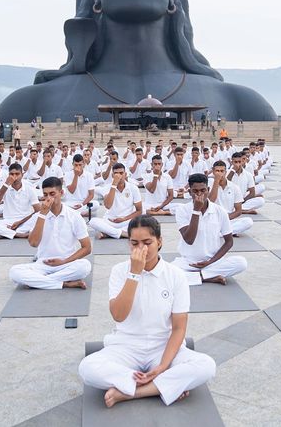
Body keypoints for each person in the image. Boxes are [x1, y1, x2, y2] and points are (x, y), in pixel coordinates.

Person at [78, 215, 216, 407]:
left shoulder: (175, 275)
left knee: (206, 366)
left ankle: (132, 392)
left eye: (147, 242)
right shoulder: (120, 271)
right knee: (87, 368)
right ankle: (163, 387)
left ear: (159, 241)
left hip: (162, 347)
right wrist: (134, 274)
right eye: (134, 243)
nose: (140, 248)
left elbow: (178, 328)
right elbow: (118, 315)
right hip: (125, 346)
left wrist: (162, 367)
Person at [8, 177, 92, 289]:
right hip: (43, 264)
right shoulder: (38, 216)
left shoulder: (74, 216)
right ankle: (64, 283)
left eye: (52, 194)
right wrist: (42, 214)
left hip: (66, 263)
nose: (48, 198)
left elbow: (87, 248)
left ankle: (39, 282)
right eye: (45, 194)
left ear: (61, 193)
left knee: (85, 266)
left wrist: (64, 261)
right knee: (14, 272)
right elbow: (33, 243)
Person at [173, 173, 246, 284]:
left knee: (241, 263)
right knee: (169, 274)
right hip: (188, 262)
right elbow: (189, 239)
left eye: (203, 190)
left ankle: (199, 276)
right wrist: (196, 211)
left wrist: (210, 262)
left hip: (212, 262)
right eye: (195, 191)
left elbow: (229, 242)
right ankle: (208, 276)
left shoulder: (219, 211)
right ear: (189, 192)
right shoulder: (182, 210)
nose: (199, 194)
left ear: (208, 189)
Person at [0, 163, 41, 239]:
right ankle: (18, 234)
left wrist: (20, 222)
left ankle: (9, 232)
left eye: (17, 174)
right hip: (9, 221)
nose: (14, 177)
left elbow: (38, 211)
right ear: (8, 175)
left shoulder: (29, 189)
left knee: (42, 215)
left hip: (26, 221)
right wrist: (6, 184)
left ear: (22, 175)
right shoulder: (5, 187)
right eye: (12, 174)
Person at [89, 164, 142, 239]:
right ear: (112, 175)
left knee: (143, 222)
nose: (119, 176)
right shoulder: (107, 187)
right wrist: (114, 185)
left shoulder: (133, 188)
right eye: (116, 173)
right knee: (93, 222)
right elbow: (108, 205)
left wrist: (124, 219)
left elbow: (139, 211)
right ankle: (122, 233)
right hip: (110, 221)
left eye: (121, 173)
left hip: (127, 221)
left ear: (125, 174)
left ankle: (109, 233)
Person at [208, 160, 253, 236]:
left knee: (248, 221)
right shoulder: (208, 183)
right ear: (213, 171)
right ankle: (225, 233)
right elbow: (211, 201)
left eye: (222, 171)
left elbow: (238, 211)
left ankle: (219, 233)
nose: (219, 173)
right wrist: (216, 181)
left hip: (228, 218)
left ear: (225, 172)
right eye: (217, 171)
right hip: (212, 218)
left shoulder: (234, 187)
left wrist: (225, 219)